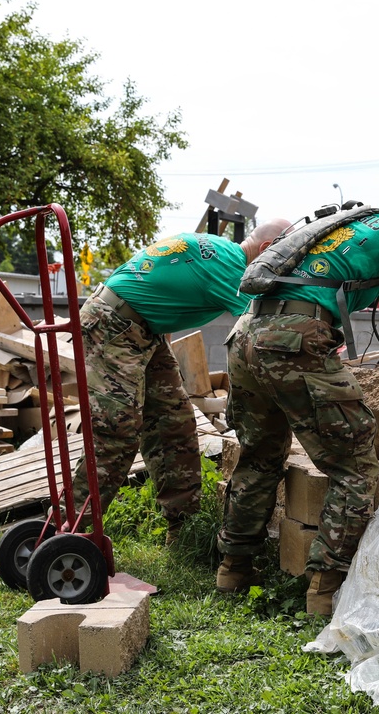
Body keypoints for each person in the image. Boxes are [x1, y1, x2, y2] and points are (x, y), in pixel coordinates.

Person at [216, 171, 379, 615]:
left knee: (261, 453)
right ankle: (324, 591)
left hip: (246, 333)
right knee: (356, 462)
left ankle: (233, 567)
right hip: (293, 336)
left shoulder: (354, 221)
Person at [73, 218, 292, 544]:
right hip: (113, 324)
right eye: (287, 261)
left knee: (172, 426)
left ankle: (184, 532)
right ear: (266, 250)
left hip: (144, 328)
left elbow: (160, 283)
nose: (285, 272)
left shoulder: (219, 251)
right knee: (116, 434)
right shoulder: (232, 270)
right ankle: (71, 531)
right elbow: (264, 332)